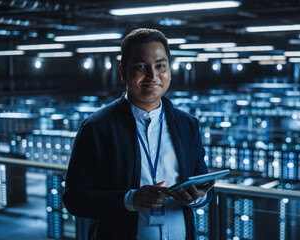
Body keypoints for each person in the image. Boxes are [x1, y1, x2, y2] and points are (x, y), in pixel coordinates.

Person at [63, 28, 215, 240]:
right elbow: (74, 199)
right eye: (141, 67)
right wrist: (130, 200)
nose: (153, 76)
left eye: (160, 66)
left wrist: (197, 197)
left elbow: (204, 187)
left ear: (170, 71)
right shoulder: (97, 128)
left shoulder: (187, 125)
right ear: (123, 72)